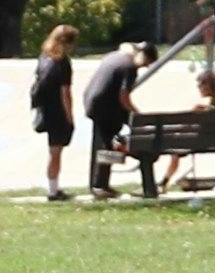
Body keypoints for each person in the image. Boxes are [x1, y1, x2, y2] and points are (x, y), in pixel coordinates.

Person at [80, 31, 153, 196]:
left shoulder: (115, 56)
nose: (145, 66)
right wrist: (136, 114)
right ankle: (100, 185)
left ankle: (99, 184)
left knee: (103, 143)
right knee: (106, 145)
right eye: (147, 62)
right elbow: (123, 96)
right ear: (143, 56)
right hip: (106, 106)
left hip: (94, 102)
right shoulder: (129, 66)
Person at [28, 26, 81, 199]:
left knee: (53, 151)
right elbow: (65, 93)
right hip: (57, 111)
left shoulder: (44, 57)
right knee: (56, 152)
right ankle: (53, 190)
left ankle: (53, 188)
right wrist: (70, 117)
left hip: (44, 109)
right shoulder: (62, 62)